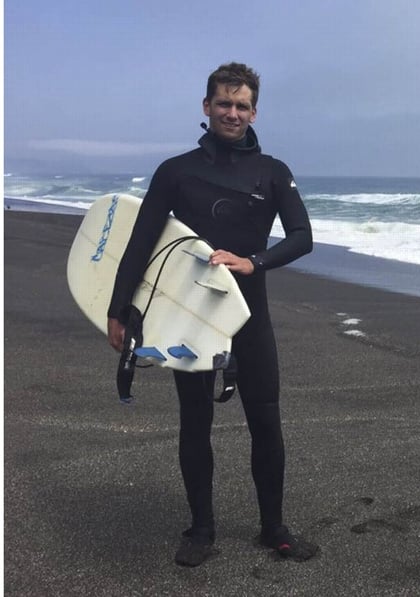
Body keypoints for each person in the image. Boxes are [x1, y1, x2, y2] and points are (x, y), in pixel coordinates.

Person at [106, 62, 317, 567]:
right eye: (224, 102)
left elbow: (302, 237)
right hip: (192, 319)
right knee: (195, 423)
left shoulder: (272, 172)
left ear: (254, 111)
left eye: (242, 105)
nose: (232, 112)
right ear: (206, 106)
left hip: (250, 317)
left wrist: (253, 261)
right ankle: (201, 530)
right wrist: (119, 310)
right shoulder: (176, 172)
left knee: (266, 422)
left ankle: (274, 528)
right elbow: (140, 245)